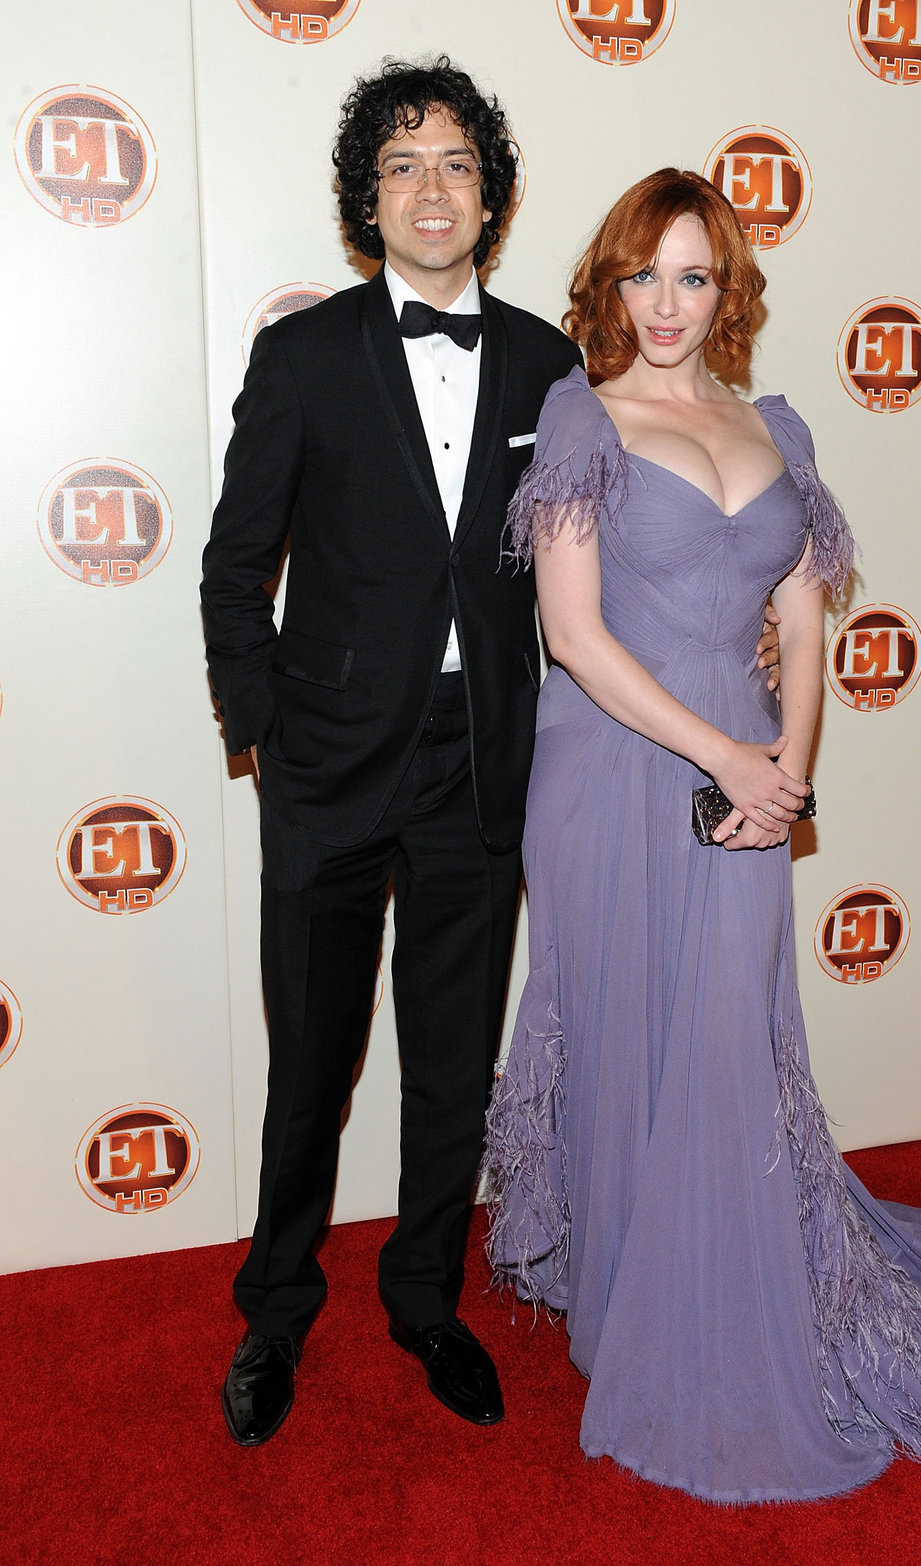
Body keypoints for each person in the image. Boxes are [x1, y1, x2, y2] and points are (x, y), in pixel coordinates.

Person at [484, 169, 921, 1503]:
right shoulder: (580, 415)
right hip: (615, 769)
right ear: (613, 282)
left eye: (693, 275)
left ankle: (713, 1289)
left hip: (750, 770)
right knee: (624, 1014)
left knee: (726, 1030)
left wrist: (789, 775)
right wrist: (724, 758)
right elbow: (571, 634)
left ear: (727, 289)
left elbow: (808, 627)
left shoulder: (780, 427)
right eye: (644, 273)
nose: (665, 302)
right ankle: (621, 1308)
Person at [199, 56, 591, 1445]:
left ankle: (428, 1295)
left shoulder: (550, 361)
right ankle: (275, 1307)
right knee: (312, 1057)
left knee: (449, 1054)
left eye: (457, 165)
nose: (434, 190)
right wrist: (265, 737)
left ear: (493, 192)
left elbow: (580, 570)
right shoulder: (304, 354)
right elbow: (236, 567)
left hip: (481, 756)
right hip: (326, 758)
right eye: (403, 167)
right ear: (369, 202)